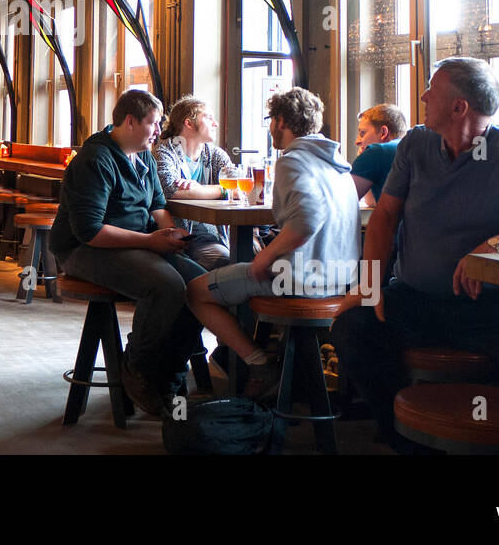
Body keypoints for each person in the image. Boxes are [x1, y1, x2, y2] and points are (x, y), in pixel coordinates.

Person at [329, 57, 499, 451]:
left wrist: (496, 246)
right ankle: (406, 439)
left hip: (490, 308)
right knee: (351, 328)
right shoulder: (415, 144)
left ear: (459, 107)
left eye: (433, 89)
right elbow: (384, 217)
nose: (423, 96)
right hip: (413, 299)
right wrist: (370, 284)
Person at [49, 88, 204, 416]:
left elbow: (158, 204)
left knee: (201, 285)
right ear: (130, 121)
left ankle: (169, 375)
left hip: (135, 243)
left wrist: (172, 234)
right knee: (167, 285)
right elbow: (89, 231)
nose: (160, 131)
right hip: (84, 249)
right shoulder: (96, 158)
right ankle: (137, 369)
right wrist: (150, 242)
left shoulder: (144, 152)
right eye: (154, 123)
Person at [187, 88, 360, 377]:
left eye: (270, 120)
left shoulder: (293, 160)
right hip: (343, 280)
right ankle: (282, 372)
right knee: (239, 277)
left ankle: (258, 367)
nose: (269, 128)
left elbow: (306, 220)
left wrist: (266, 256)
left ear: (281, 121)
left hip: (302, 281)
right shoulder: (338, 164)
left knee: (195, 291)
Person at [153, 95, 235, 269]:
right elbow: (171, 191)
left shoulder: (215, 154)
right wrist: (222, 191)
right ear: (188, 123)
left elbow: (238, 188)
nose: (216, 123)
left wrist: (198, 188)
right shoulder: (165, 151)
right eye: (208, 117)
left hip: (220, 234)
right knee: (230, 263)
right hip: (183, 236)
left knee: (257, 258)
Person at [350, 103, 407, 204]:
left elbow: (343, 201)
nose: (357, 141)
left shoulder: (377, 151)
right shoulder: (406, 149)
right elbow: (372, 201)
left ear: (383, 132)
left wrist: (365, 158)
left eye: (362, 133)